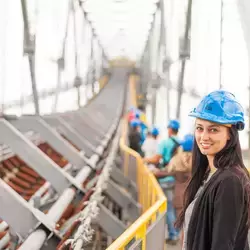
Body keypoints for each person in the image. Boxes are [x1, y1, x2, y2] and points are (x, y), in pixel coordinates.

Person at [176, 90, 250, 250]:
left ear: (230, 134)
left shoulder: (230, 181)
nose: (203, 136)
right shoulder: (208, 176)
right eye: (199, 128)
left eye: (213, 130)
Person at [143, 119, 181, 245]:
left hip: (165, 178)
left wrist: (145, 160)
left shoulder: (165, 143)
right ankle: (175, 232)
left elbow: (156, 158)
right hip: (176, 178)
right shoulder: (180, 143)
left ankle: (173, 234)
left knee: (168, 208)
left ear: (170, 129)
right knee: (173, 207)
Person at [153, 134, 193, 218]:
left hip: (179, 199)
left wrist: (155, 172)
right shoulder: (199, 161)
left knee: (181, 225)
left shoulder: (177, 159)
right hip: (194, 198)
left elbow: (165, 172)